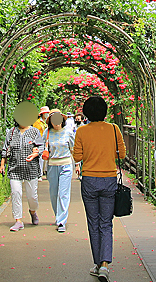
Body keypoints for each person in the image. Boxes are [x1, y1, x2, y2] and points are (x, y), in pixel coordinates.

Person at [72, 96, 126, 282]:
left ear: (86, 112)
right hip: (109, 180)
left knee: (93, 223)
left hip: (89, 181)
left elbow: (77, 156)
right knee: (106, 223)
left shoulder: (82, 131)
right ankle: (105, 266)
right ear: (105, 112)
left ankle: (97, 264)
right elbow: (123, 153)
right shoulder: (113, 129)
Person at [0, 117, 43, 232]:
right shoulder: (11, 132)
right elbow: (5, 149)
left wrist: (36, 153)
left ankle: (33, 211)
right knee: (16, 193)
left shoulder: (34, 132)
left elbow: (40, 146)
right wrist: (2, 164)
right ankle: (18, 221)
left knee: (32, 196)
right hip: (15, 169)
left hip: (31, 169)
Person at [43, 109, 76, 232]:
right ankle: (58, 216)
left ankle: (62, 221)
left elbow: (73, 149)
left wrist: (77, 164)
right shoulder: (47, 132)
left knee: (63, 193)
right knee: (53, 193)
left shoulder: (68, 132)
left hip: (66, 165)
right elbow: (41, 147)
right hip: (52, 165)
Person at [34, 106, 50, 179]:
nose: (47, 114)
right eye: (46, 113)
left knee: (47, 158)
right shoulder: (37, 123)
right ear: (42, 114)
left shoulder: (48, 122)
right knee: (40, 158)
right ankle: (39, 174)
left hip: (47, 141)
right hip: (39, 142)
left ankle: (46, 173)